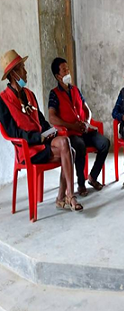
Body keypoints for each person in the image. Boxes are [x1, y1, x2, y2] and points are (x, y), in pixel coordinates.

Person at [0, 50, 81, 211]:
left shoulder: (29, 94)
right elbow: (13, 133)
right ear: (14, 74)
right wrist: (39, 138)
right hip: (28, 150)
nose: (26, 72)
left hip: (44, 143)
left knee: (67, 143)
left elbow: (42, 121)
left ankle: (65, 196)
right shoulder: (3, 100)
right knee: (69, 151)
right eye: (22, 68)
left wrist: (51, 132)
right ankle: (65, 197)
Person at [47, 57, 110, 196]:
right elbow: (52, 117)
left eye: (68, 68)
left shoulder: (75, 89)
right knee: (79, 146)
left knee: (105, 143)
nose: (68, 72)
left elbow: (87, 109)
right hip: (71, 134)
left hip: (85, 129)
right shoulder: (54, 94)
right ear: (58, 76)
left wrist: (87, 122)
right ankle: (81, 184)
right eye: (64, 70)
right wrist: (71, 126)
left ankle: (92, 177)